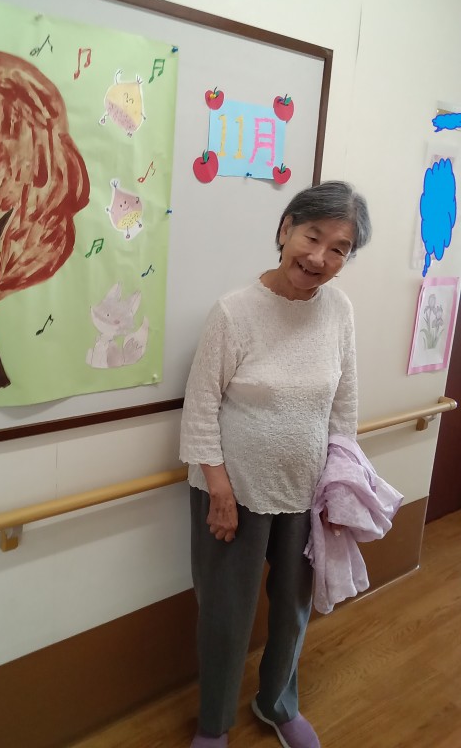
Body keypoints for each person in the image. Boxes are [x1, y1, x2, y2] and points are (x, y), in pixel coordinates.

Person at [179, 181, 372, 748]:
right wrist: (218, 489)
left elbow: (345, 404)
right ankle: (214, 723)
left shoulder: (339, 311)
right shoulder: (233, 312)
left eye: (339, 248)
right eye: (312, 237)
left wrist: (339, 486)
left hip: (306, 491)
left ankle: (276, 703)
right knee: (225, 613)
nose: (319, 257)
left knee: (292, 608)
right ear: (286, 229)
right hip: (231, 490)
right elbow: (201, 406)